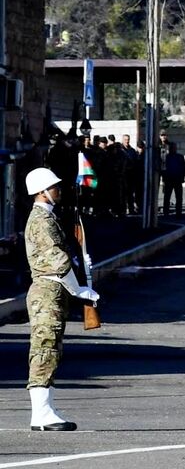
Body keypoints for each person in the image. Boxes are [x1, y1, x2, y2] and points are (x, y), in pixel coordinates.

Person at [24, 168, 97, 431]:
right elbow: (58, 262)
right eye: (54, 187)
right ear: (42, 192)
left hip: (53, 290)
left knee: (52, 348)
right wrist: (80, 290)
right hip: (47, 290)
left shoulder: (48, 217)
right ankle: (41, 414)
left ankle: (46, 409)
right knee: (45, 349)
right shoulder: (42, 220)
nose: (59, 190)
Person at [162, 142, 185, 216]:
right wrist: (164, 179)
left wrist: (182, 178)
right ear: (169, 148)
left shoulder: (180, 157)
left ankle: (179, 213)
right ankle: (166, 212)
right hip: (168, 180)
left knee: (179, 198)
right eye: (171, 147)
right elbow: (163, 169)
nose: (173, 149)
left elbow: (183, 168)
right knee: (167, 197)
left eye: (174, 147)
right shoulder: (165, 157)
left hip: (178, 180)